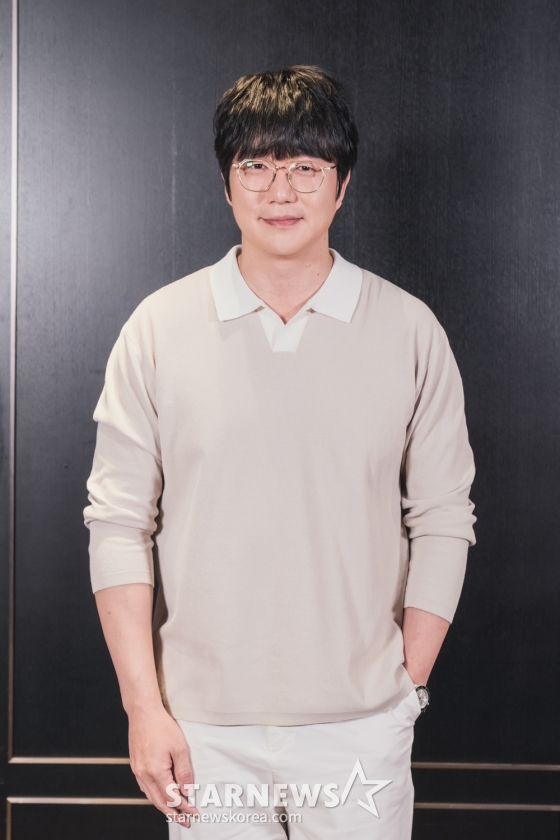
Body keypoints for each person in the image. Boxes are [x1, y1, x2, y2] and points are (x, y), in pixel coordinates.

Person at [84, 65, 476, 839]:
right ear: (227, 184)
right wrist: (144, 708)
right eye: (256, 166)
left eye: (305, 167)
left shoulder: (409, 330)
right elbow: (118, 523)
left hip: (361, 726)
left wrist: (406, 688)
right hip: (202, 730)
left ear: (342, 184)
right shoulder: (159, 327)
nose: (280, 191)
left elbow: (442, 517)